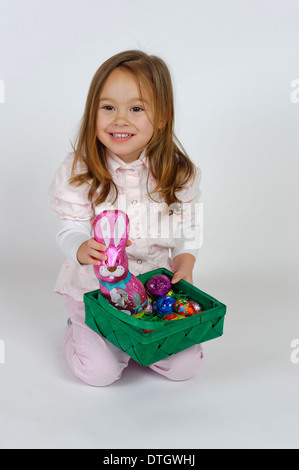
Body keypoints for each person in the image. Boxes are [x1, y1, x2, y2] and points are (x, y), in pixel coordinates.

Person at [49, 50, 203, 386]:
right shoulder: (81, 170)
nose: (120, 119)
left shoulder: (176, 171)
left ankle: (138, 339)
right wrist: (80, 246)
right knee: (99, 374)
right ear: (93, 113)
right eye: (108, 108)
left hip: (153, 289)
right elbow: (69, 227)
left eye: (136, 108)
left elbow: (189, 226)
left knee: (185, 367)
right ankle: (79, 331)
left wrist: (186, 260)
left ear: (162, 117)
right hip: (97, 290)